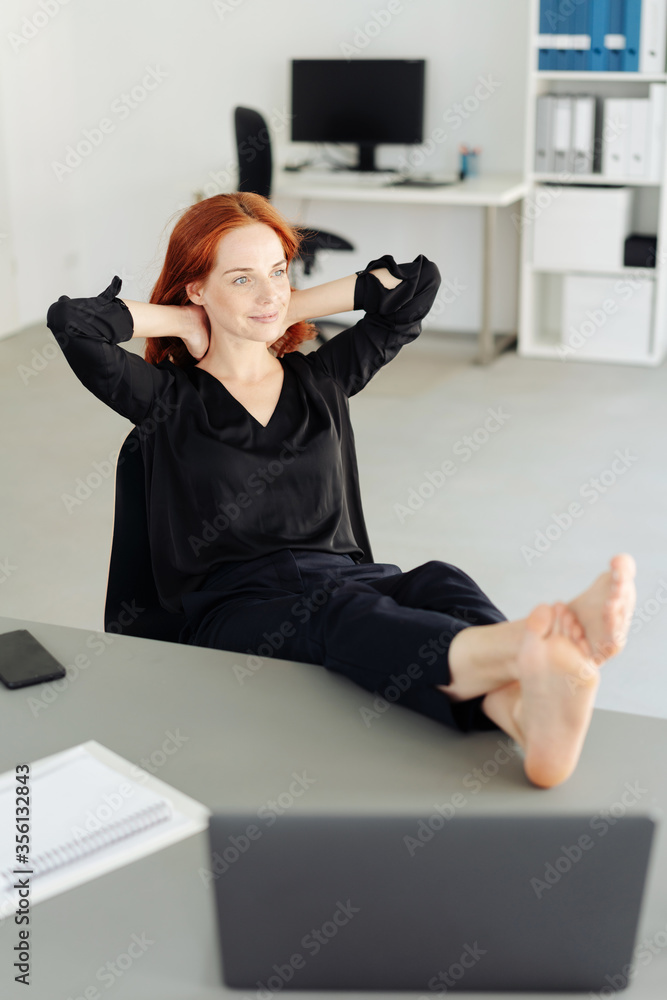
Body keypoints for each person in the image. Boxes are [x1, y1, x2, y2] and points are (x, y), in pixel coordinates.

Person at [46, 191, 636, 790]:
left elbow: (409, 290)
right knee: (344, 614)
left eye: (278, 271)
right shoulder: (166, 399)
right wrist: (184, 319)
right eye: (242, 278)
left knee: (440, 580)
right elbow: (76, 324)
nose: (269, 291)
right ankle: (527, 649)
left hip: (343, 577)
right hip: (237, 611)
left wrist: (279, 303)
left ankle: (518, 709)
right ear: (197, 288)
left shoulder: (320, 378)